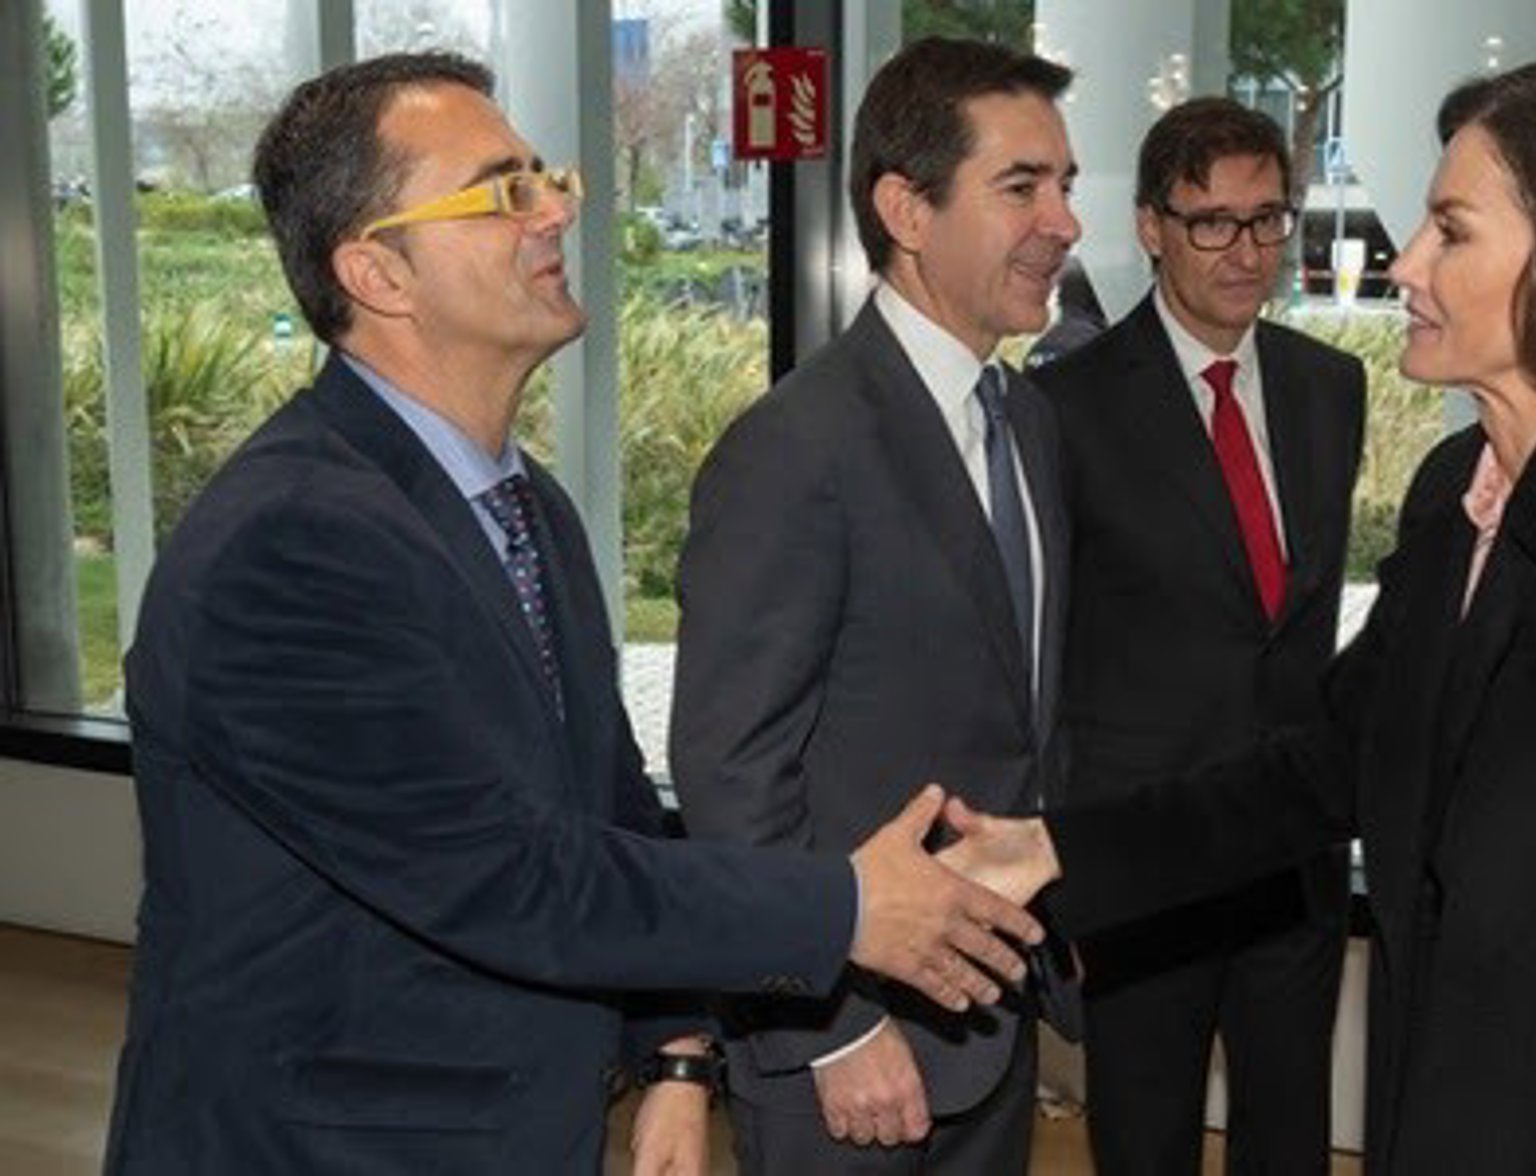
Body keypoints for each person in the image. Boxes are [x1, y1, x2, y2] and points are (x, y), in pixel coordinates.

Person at [944, 54, 1536, 1174]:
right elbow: (1323, 766)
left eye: (1451, 230)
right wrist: (1056, 847)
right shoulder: (1457, 500)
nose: (1403, 263)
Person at [103, 51, 1045, 1176]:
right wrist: (844, 907)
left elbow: (605, 812)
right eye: (503, 191)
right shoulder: (291, 543)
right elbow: (507, 875)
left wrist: (678, 1055)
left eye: (546, 178)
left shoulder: (522, 505)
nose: (556, 209)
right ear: (378, 272)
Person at [671, 35, 1081, 1175]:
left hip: (992, 1018)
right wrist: (826, 1029)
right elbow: (729, 770)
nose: (1064, 222)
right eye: (1021, 187)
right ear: (907, 209)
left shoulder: (1028, 422)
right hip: (851, 1049)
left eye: (1064, 185)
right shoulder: (795, 448)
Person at [1028, 96, 1365, 1176]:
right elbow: (1044, 651)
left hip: (1292, 854)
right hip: (1144, 865)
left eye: (1267, 219)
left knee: (1290, 1144)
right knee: (1146, 1143)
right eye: (1212, 221)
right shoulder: (1062, 407)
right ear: (1151, 226)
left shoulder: (1331, 388)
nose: (1247, 250)